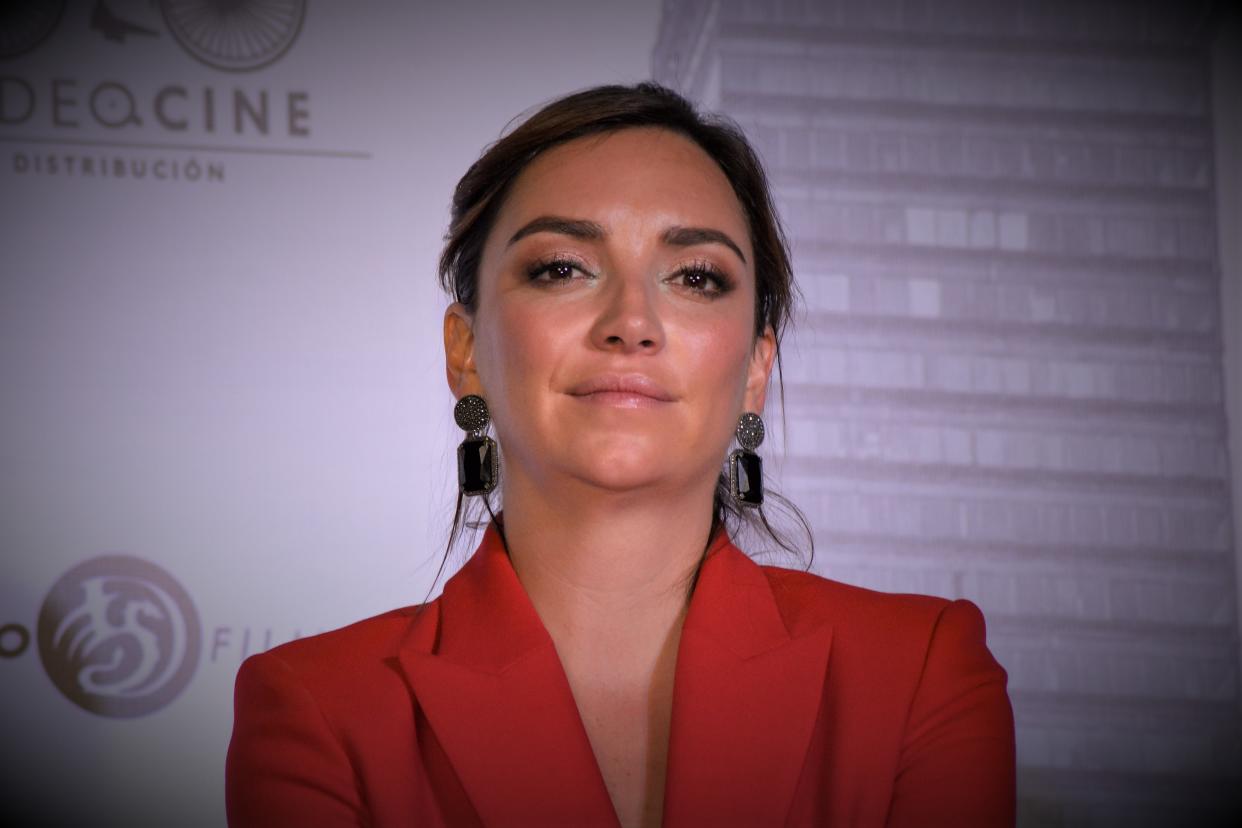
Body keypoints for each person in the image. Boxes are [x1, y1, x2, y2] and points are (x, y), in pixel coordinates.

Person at [225, 82, 1015, 827]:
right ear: (464, 351)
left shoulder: (918, 675)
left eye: (696, 277)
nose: (632, 321)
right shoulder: (318, 707)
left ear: (756, 368)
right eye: (562, 268)